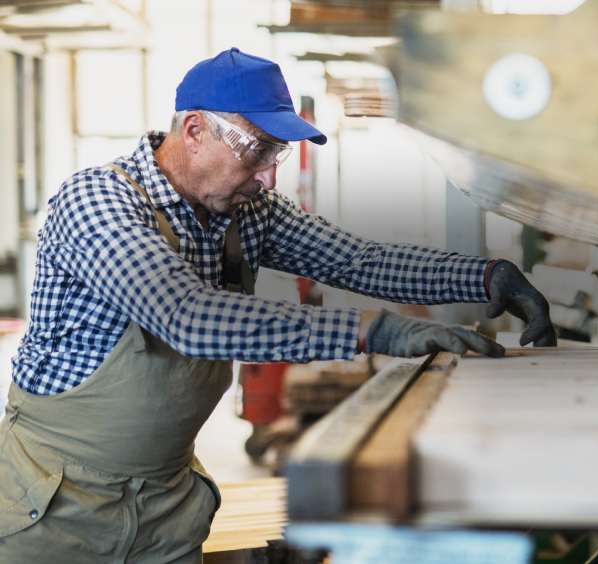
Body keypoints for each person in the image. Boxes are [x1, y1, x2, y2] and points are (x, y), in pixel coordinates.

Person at [0, 48, 555, 563]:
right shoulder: (98, 201)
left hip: (166, 507)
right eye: (258, 148)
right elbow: (186, 315)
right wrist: (374, 331)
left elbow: (359, 261)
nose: (269, 175)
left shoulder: (249, 211)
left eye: (277, 153)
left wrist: (485, 277)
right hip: (55, 503)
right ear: (195, 130)